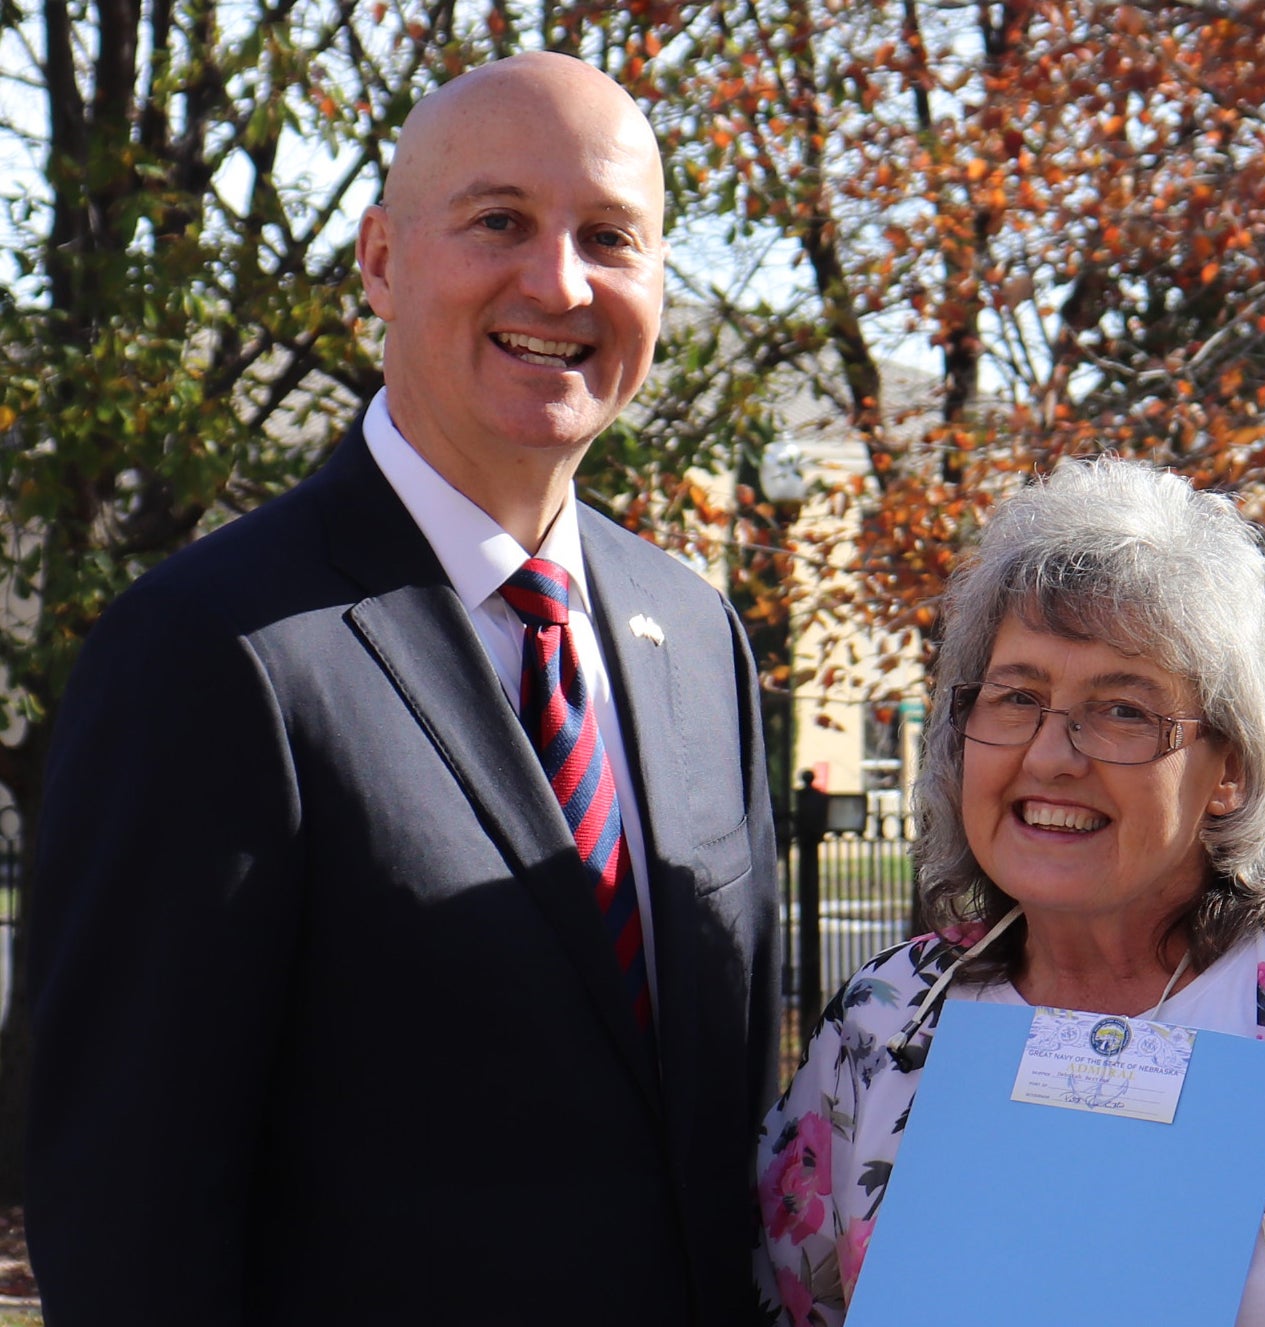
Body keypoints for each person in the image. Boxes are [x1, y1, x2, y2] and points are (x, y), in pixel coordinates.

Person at [27, 52, 780, 1325]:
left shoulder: (698, 634)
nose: (558, 282)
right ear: (378, 259)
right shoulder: (211, 652)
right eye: (499, 221)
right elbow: (127, 1216)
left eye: (611, 236)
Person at [754, 457, 1265, 1325]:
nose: (1049, 754)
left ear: (1228, 767)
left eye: (1122, 710)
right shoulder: (884, 1022)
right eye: (1015, 696)